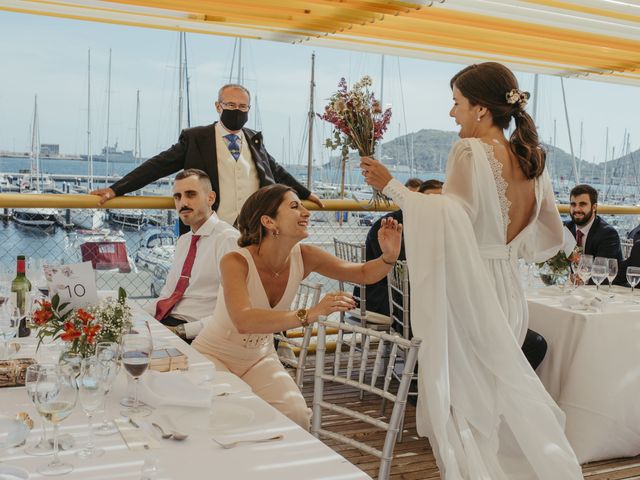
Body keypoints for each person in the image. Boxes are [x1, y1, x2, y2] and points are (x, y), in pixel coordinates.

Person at [361, 62, 582, 478]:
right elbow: (550, 232)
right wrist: (507, 248)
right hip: (508, 289)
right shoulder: (531, 156)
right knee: (493, 398)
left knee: (467, 401)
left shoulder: (469, 151)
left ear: (481, 109)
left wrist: (391, 186)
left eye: (456, 103)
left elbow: (452, 219)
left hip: (473, 287)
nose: (452, 113)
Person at [192, 184, 402, 429]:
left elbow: (364, 273)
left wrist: (388, 257)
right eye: (295, 206)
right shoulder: (235, 261)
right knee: (228, 416)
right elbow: (244, 320)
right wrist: (311, 313)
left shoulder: (305, 256)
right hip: (213, 356)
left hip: (259, 358)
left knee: (297, 415)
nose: (306, 212)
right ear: (269, 222)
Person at [90, 84, 323, 229]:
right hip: (210, 227)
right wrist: (116, 189)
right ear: (217, 106)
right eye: (231, 104)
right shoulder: (196, 138)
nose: (237, 110)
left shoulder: (253, 139)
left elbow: (277, 171)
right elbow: (158, 165)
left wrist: (306, 193)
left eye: (243, 107)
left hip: (251, 229)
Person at [153, 169, 239, 342]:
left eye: (190, 194)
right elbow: (167, 294)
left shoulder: (228, 240)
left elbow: (232, 311)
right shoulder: (184, 240)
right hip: (169, 323)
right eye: (177, 197)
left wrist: (181, 331)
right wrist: (133, 313)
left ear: (210, 198)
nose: (182, 202)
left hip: (200, 333)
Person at [360, 179, 443, 319]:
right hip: (387, 296)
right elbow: (402, 270)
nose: (435, 207)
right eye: (430, 201)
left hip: (407, 293)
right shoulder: (390, 225)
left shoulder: (435, 227)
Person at [565, 184, 624, 263]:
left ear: (594, 207)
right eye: (573, 204)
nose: (576, 209)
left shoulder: (608, 234)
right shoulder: (565, 228)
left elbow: (600, 271)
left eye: (582, 204)